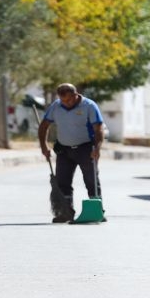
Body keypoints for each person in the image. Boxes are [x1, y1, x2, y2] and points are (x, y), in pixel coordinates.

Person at [37, 83, 105, 223]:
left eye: (68, 100)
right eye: (63, 100)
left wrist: (97, 148)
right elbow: (44, 126)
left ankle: (97, 211)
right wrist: (44, 145)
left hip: (86, 148)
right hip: (64, 149)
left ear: (75, 95)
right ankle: (66, 212)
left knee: (91, 180)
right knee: (62, 182)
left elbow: (98, 129)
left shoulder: (89, 106)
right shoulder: (56, 106)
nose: (65, 103)